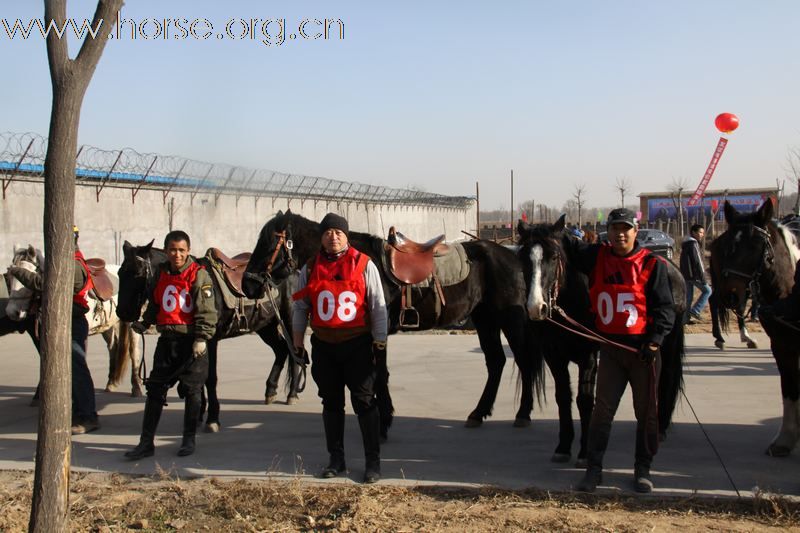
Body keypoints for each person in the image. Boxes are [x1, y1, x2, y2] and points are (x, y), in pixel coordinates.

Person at [566, 208, 675, 493]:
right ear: (608, 231)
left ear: (636, 231)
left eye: (626, 228)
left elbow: (665, 308)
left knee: (646, 413)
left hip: (642, 353)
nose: (620, 233)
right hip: (611, 351)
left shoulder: (653, 264)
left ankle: (642, 469)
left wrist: (654, 342)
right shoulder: (597, 257)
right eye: (615, 228)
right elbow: (569, 246)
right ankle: (593, 470)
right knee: (602, 412)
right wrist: (551, 234)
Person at [291, 212, 388, 484]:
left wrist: (379, 342)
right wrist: (298, 342)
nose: (333, 237)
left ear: (346, 236)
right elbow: (300, 307)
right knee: (331, 403)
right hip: (324, 345)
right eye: (327, 233)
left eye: (338, 232)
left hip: (357, 344)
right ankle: (336, 459)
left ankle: (373, 462)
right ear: (321, 237)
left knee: (365, 401)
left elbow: (378, 306)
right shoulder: (309, 267)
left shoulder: (364, 264)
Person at [125, 230, 217, 459]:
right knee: (155, 390)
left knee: (193, 392)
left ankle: (188, 440)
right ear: (166, 251)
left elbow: (206, 310)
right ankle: (146, 443)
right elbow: (156, 303)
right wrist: (145, 323)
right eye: (173, 250)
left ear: (188, 251)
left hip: (191, 344)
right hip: (167, 342)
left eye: (182, 250)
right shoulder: (160, 273)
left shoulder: (199, 275)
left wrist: (201, 338)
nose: (177, 254)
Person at [7, 225, 100, 434]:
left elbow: (45, 283)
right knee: (68, 370)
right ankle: (77, 412)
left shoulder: (73, 265)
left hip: (73, 322)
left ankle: (88, 416)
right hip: (63, 322)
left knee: (77, 370)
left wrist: (18, 271)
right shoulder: (62, 261)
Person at [680, 224, 711, 324]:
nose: (702, 235)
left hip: (686, 274)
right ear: (693, 232)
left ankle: (685, 319)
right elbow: (698, 262)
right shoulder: (693, 244)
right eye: (700, 232)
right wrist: (703, 277)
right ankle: (696, 310)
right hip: (694, 275)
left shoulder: (686, 244)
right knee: (708, 291)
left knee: (688, 297)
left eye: (702, 233)